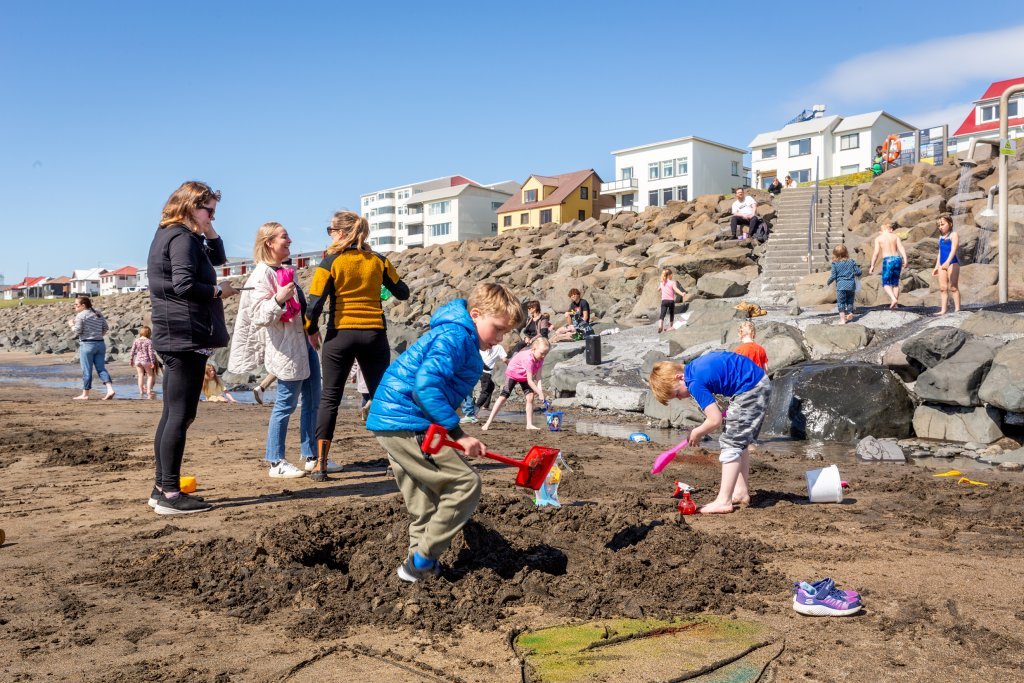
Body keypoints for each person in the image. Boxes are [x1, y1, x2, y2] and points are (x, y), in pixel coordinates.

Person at [366, 282, 524, 582]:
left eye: (506, 333)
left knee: (423, 502)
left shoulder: (456, 334)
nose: (500, 338)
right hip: (407, 420)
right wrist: (458, 434)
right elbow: (425, 387)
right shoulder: (456, 337)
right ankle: (421, 561)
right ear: (476, 314)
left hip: (391, 421)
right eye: (498, 329)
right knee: (465, 484)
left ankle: (416, 574)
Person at [147, 180, 238, 515]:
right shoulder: (182, 238)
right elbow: (185, 285)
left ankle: (161, 487)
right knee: (181, 414)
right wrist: (219, 292)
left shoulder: (175, 235)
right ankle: (170, 493)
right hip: (183, 336)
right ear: (189, 206)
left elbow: (217, 257)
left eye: (214, 211)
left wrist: (209, 228)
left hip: (176, 335)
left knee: (173, 413)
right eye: (208, 209)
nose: (212, 216)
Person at [305, 210, 409, 481]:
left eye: (330, 231)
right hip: (374, 335)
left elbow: (314, 304)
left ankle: (320, 466)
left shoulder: (330, 262)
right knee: (383, 397)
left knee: (330, 398)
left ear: (340, 233)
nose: (329, 235)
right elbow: (403, 292)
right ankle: (396, 461)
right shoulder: (379, 261)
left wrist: (311, 329)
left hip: (341, 335)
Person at [228, 222, 321, 478]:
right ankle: (275, 461)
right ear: (269, 242)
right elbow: (258, 316)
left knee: (313, 401)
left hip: (302, 344)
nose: (290, 241)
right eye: (284, 237)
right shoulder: (262, 274)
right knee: (285, 405)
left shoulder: (285, 270)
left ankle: (312, 456)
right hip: (285, 349)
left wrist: (311, 331)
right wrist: (278, 298)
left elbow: (299, 308)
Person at [649, 352, 771, 514]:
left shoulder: (693, 382)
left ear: (679, 377)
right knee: (738, 441)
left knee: (731, 443)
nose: (679, 398)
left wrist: (697, 432)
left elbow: (715, 420)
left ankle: (724, 501)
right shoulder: (693, 368)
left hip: (750, 389)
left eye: (677, 394)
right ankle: (740, 491)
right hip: (755, 383)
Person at [481, 337, 549, 431]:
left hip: (524, 375)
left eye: (546, 354)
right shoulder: (528, 359)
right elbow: (530, 380)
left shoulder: (541, 359)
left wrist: (540, 390)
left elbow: (538, 377)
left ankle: (529, 424)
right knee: (503, 397)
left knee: (530, 397)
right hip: (513, 373)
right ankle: (488, 423)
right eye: (542, 353)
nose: (543, 356)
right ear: (533, 349)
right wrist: (540, 393)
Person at [68, 296, 115, 400]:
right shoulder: (98, 313)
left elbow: (77, 331)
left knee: (86, 370)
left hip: (87, 344)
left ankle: (85, 394)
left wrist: (71, 325)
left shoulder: (80, 315)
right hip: (100, 344)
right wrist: (98, 336)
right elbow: (105, 328)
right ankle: (110, 389)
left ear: (83, 305)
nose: (74, 306)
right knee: (101, 368)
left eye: (76, 304)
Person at [460, 342, 508, 423]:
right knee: (485, 391)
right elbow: (505, 359)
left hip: (476, 369)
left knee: (490, 386)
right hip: (485, 372)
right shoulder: (498, 347)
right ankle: (473, 412)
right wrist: (511, 365)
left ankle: (484, 406)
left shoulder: (481, 344)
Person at [868, 222, 908, 310]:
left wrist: (872, 266)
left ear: (881, 231)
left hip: (888, 260)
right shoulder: (895, 236)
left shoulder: (879, 238)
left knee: (885, 283)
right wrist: (905, 259)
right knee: (895, 283)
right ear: (890, 230)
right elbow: (901, 247)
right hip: (897, 259)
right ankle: (896, 305)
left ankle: (893, 299)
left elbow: (876, 253)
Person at [932, 214, 961, 316]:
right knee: (943, 288)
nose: (940, 227)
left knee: (953, 287)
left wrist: (948, 261)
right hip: (942, 264)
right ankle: (943, 309)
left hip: (952, 262)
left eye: (943, 224)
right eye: (939, 225)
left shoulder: (954, 235)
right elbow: (940, 252)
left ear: (950, 224)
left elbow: (954, 249)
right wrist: (936, 266)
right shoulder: (940, 237)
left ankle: (957, 309)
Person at [826, 245, 863, 324]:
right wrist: (854, 273)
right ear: (846, 252)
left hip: (841, 286)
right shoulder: (851, 261)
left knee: (841, 302)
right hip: (851, 285)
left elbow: (833, 276)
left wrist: (828, 282)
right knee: (850, 301)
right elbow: (859, 272)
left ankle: (842, 319)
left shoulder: (835, 264)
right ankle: (850, 313)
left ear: (834, 254)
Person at [129, 325, 158, 399]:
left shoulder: (136, 340)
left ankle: (141, 391)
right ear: (148, 333)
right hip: (146, 360)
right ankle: (148, 391)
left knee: (140, 375)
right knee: (150, 376)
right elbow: (150, 352)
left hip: (138, 360)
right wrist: (152, 362)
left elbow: (132, 351)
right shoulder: (149, 341)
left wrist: (131, 359)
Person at [656, 269, 687, 333]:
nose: (672, 276)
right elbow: (676, 289)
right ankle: (670, 327)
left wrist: (661, 288)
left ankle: (660, 326)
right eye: (671, 275)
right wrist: (682, 294)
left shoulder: (662, 282)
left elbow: (658, 289)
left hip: (664, 301)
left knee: (662, 314)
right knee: (671, 314)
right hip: (671, 301)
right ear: (669, 275)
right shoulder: (672, 282)